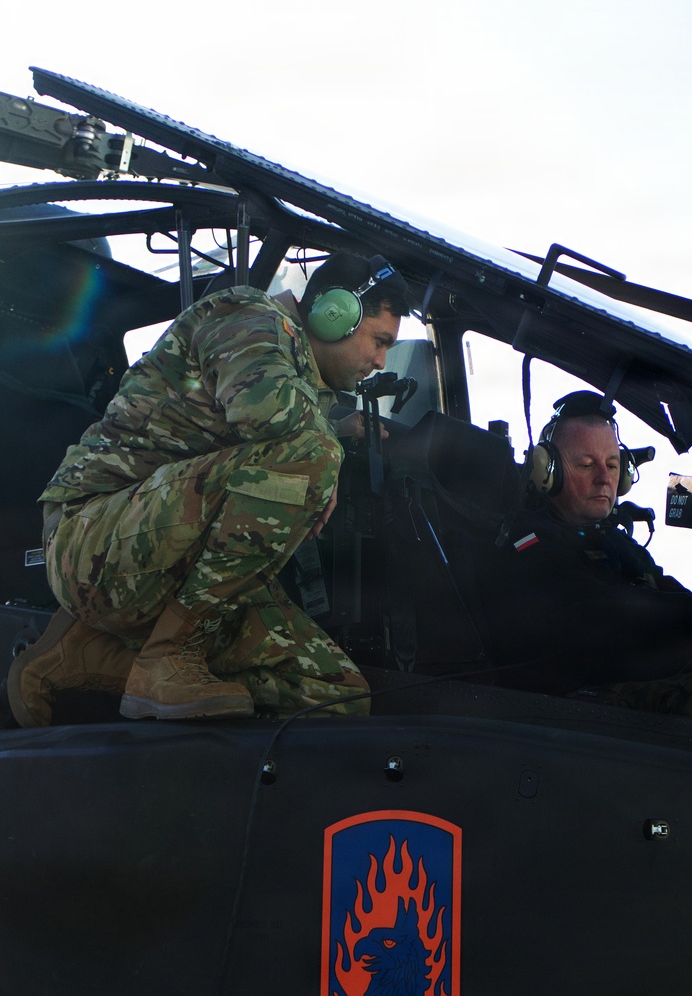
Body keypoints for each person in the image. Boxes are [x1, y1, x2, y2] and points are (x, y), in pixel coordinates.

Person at [7, 251, 410, 727]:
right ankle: (169, 657)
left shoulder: (296, 368)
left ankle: (86, 658)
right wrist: (328, 453)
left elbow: (265, 418)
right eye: (379, 341)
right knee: (313, 458)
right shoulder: (245, 316)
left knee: (335, 693)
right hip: (92, 542)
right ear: (334, 313)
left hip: (167, 558)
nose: (380, 360)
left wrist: (342, 432)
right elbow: (263, 411)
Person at [479, 392, 692, 715]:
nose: (604, 478)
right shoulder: (527, 542)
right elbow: (604, 611)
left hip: (616, 686)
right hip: (555, 711)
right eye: (586, 465)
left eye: (612, 465)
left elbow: (660, 592)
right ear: (548, 471)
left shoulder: (612, 540)